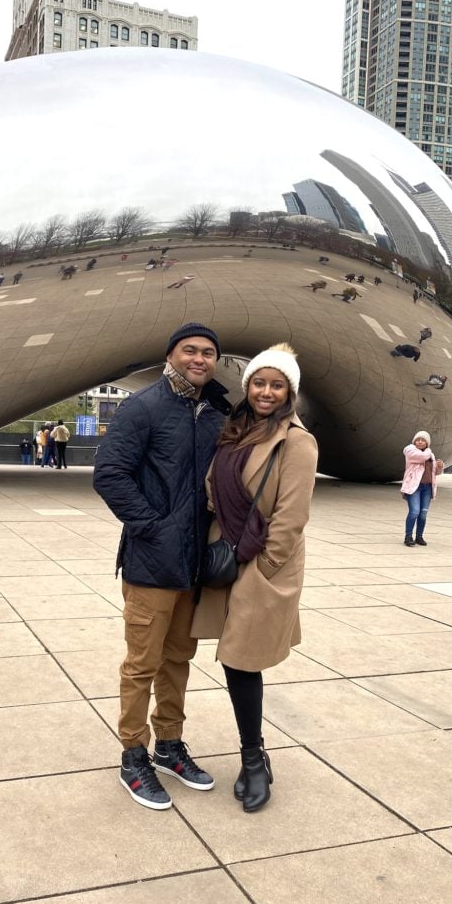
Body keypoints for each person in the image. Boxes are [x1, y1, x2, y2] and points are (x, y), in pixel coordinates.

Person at [93, 322, 231, 810]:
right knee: (142, 664)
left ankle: (170, 746)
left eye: (208, 352)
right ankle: (134, 754)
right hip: (151, 564)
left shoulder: (215, 410)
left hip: (193, 567)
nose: (200, 359)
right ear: (170, 355)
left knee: (178, 661)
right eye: (190, 350)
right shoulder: (143, 407)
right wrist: (154, 527)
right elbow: (109, 475)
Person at [192, 344, 317, 813]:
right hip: (227, 552)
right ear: (249, 388)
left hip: (263, 563)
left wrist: (264, 565)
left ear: (290, 392)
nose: (266, 392)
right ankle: (253, 756)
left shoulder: (296, 441)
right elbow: (212, 489)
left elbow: (291, 514)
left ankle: (253, 759)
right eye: (259, 383)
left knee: (243, 660)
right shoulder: (235, 432)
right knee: (233, 660)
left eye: (277, 384)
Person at [400, 431, 444, 546]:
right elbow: (422, 457)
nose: (420, 442)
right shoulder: (410, 450)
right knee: (414, 511)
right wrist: (429, 450)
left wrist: (440, 466)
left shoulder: (430, 455)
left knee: (423, 514)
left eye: (423, 440)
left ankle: (419, 536)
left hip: (427, 487)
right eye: (418, 440)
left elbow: (435, 472)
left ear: (427, 442)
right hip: (414, 487)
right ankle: (408, 536)